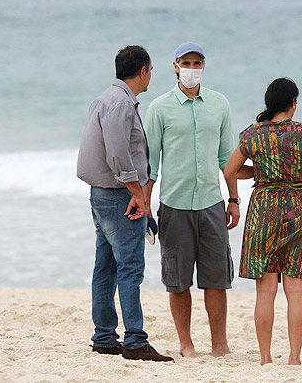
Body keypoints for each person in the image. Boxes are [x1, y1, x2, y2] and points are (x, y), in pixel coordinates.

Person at [223, 77, 302, 365]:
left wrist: (259, 172)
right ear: (293, 103)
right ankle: (295, 358)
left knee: (265, 291)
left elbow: (229, 171)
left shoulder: (252, 135)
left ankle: (265, 358)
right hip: (296, 208)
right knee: (295, 291)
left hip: (263, 209)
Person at [76, 45, 173, 363]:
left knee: (105, 267)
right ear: (143, 70)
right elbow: (117, 155)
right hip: (118, 196)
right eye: (151, 70)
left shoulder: (105, 98)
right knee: (130, 269)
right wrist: (137, 193)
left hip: (101, 193)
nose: (150, 76)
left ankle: (104, 337)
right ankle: (134, 341)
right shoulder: (120, 104)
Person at [143, 42, 239, 357]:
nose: (192, 68)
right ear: (175, 66)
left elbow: (228, 159)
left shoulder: (219, 104)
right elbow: (150, 165)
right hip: (174, 204)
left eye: (197, 63)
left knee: (216, 279)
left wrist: (234, 199)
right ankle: (186, 344)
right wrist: (145, 206)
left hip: (212, 203)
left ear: (204, 66)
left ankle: (220, 344)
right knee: (177, 279)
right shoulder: (159, 107)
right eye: (186, 62)